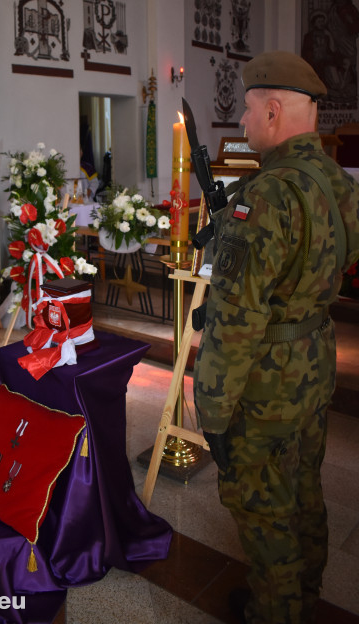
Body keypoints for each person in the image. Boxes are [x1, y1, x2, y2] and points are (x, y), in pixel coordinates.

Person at [193, 51, 359, 624]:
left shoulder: (264, 197)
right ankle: (306, 592)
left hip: (267, 380)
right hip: (314, 359)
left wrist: (210, 408)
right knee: (305, 486)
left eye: (244, 107)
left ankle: (277, 609)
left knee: (261, 506)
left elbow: (236, 320)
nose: (240, 120)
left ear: (271, 109)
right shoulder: (338, 180)